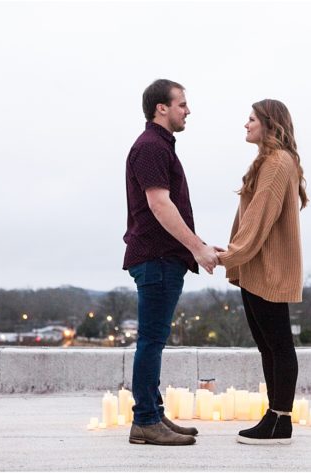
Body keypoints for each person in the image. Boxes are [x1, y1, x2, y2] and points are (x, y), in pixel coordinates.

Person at [122, 79, 220, 446]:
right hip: (157, 258)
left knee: (155, 339)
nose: (187, 110)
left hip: (162, 259)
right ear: (161, 108)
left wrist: (199, 246)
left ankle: (153, 413)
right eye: (182, 103)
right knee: (151, 341)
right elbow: (160, 204)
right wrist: (197, 248)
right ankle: (145, 420)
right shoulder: (150, 147)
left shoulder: (158, 146)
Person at [215, 99, 308, 445]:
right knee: (268, 345)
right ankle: (274, 415)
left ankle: (280, 420)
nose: (246, 124)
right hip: (257, 266)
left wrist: (229, 256)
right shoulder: (268, 161)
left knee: (278, 344)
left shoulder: (277, 162)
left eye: (251, 118)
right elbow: (251, 216)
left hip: (268, 268)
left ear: (269, 123)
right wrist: (235, 255)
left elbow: (259, 218)